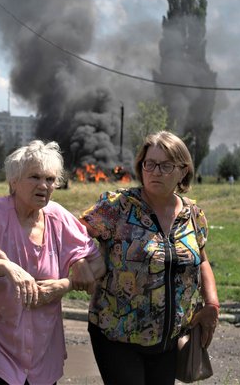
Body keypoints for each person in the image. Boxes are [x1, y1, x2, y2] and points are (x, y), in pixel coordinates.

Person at [0, 140, 105, 385]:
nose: (43, 186)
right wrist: (6, 267)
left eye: (50, 179)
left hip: (41, 346)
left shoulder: (58, 217)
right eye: (34, 177)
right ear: (14, 181)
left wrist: (65, 284)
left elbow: (98, 265)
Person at [79, 131, 219, 385]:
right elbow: (74, 234)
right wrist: (81, 261)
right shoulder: (119, 206)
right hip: (117, 336)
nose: (155, 171)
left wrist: (212, 304)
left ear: (183, 170)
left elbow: (202, 259)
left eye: (165, 166)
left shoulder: (192, 214)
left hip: (169, 340)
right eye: (150, 164)